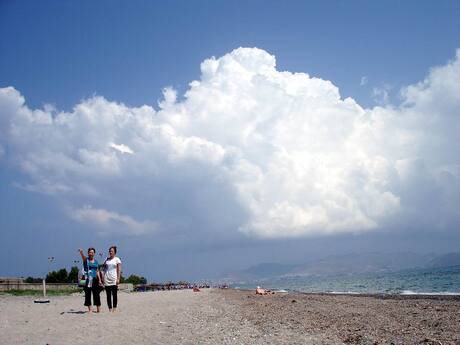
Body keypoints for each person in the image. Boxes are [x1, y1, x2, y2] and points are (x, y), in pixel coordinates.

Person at [78, 247, 103, 313]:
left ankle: (98, 309)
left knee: (96, 294)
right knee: (88, 294)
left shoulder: (96, 261)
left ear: (94, 253)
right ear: (88, 253)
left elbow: (97, 271)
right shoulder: (86, 260)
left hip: (95, 279)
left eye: (92, 252)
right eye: (89, 252)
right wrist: (81, 253)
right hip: (87, 279)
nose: (91, 253)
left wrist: (100, 280)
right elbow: (83, 257)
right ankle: (90, 310)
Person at [102, 245, 122, 312]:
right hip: (107, 278)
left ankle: (114, 308)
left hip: (114, 279)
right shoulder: (106, 259)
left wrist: (118, 278)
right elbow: (103, 269)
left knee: (114, 294)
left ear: (115, 252)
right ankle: (110, 309)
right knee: (108, 295)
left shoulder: (117, 259)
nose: (110, 252)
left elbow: (119, 270)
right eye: (110, 251)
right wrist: (102, 278)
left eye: (112, 251)